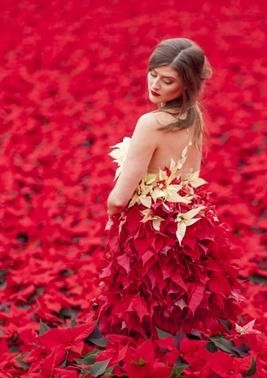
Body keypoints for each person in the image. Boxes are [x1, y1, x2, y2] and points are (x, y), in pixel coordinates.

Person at [92, 38, 248, 339]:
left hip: (152, 232)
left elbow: (120, 197)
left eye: (168, 81)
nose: (156, 85)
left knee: (146, 306)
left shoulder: (151, 123)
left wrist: (112, 211)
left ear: (185, 85)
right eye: (153, 74)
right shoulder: (193, 117)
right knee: (185, 303)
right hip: (191, 225)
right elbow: (192, 174)